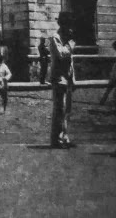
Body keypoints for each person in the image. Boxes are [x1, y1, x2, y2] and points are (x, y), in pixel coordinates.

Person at [49, 11, 76, 149]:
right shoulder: (55, 37)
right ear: (62, 24)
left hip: (68, 79)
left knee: (67, 110)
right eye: (67, 25)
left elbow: (71, 62)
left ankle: (65, 137)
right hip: (59, 78)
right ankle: (56, 140)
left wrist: (73, 80)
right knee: (60, 109)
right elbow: (61, 54)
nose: (70, 28)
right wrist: (70, 45)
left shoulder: (67, 39)